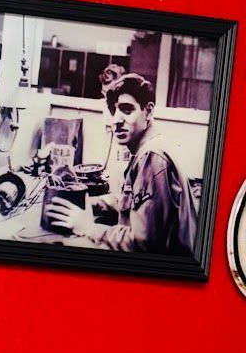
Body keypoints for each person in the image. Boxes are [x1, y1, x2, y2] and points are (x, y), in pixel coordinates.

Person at [44, 71, 196, 255]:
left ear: (148, 111)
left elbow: (144, 243)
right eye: (113, 111)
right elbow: (134, 203)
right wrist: (95, 203)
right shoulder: (150, 146)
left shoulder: (152, 156)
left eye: (126, 110)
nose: (116, 120)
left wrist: (88, 228)